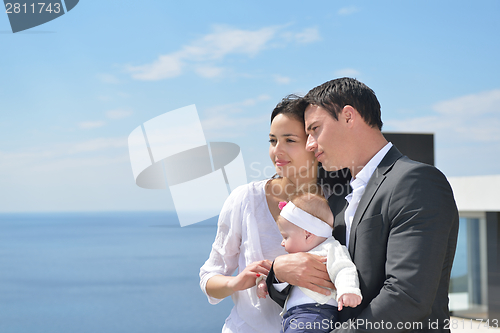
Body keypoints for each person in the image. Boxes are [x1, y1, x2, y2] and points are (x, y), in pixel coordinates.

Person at [266, 78, 459, 332]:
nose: (310, 144)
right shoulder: (336, 197)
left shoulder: (417, 181)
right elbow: (323, 276)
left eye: (315, 129)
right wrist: (279, 273)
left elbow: (407, 297)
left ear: (348, 117)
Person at [199, 95, 321, 333]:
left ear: (313, 143)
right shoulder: (245, 199)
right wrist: (235, 282)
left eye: (290, 140)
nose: (278, 151)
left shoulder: (337, 202)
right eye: (273, 140)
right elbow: (209, 278)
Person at [256, 187, 362, 333]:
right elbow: (286, 279)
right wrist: (265, 283)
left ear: (307, 235)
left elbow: (343, 268)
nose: (282, 243)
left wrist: (348, 290)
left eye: (286, 237)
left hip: (316, 312)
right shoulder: (294, 258)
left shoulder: (330, 248)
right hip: (292, 316)